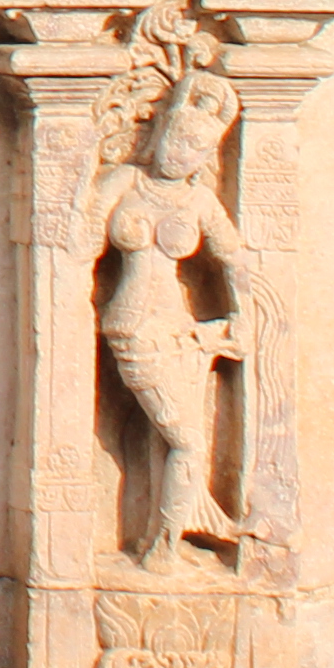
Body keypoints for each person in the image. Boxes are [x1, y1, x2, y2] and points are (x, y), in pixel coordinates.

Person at [92, 70, 263, 564]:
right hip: (131, 329)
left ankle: (158, 540)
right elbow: (81, 239)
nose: (178, 152)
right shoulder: (126, 180)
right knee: (185, 441)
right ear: (158, 132)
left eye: (193, 148)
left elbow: (235, 260)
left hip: (181, 334)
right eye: (175, 138)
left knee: (169, 441)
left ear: (205, 157)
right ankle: (163, 547)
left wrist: (241, 317)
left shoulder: (200, 201)